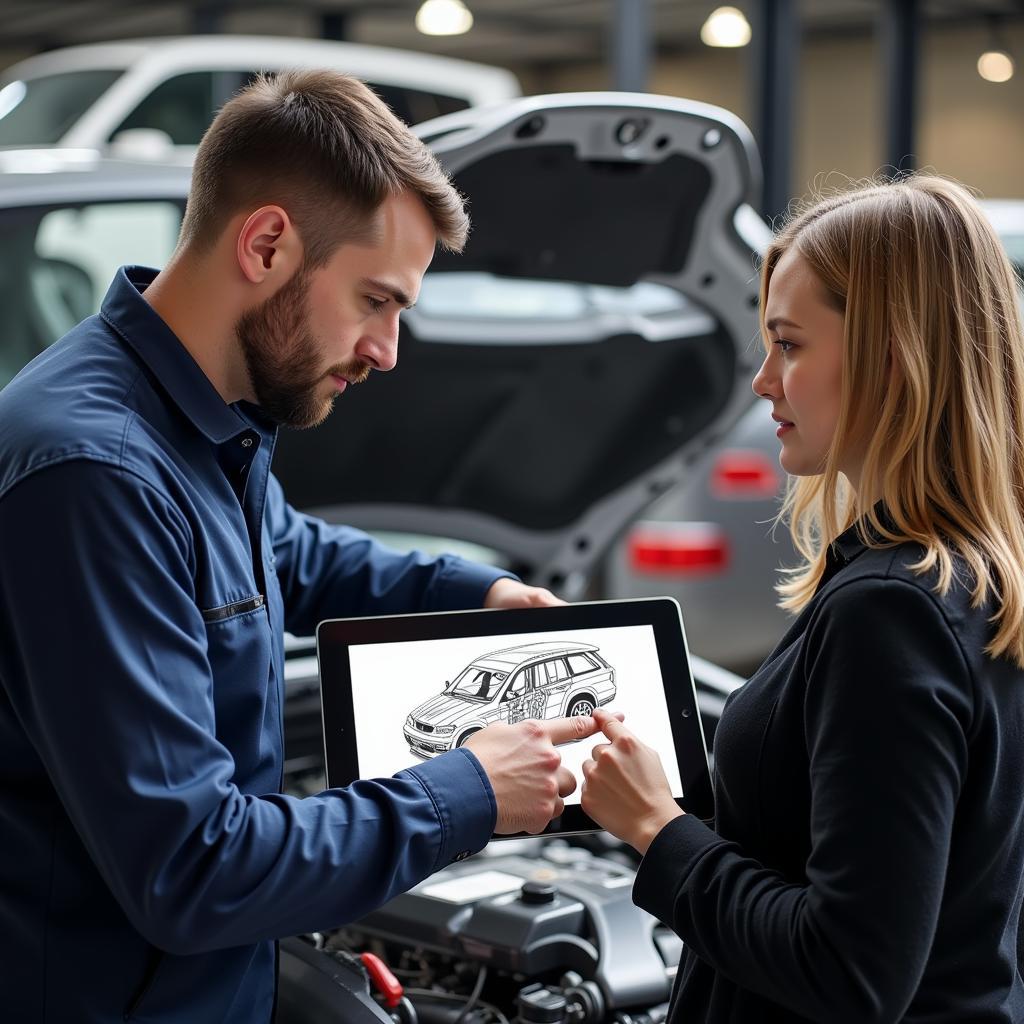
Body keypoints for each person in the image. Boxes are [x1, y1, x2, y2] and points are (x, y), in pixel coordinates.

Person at [0, 70, 602, 1023]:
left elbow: (287, 554)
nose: (388, 349)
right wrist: (468, 788)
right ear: (268, 242)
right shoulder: (93, 473)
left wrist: (477, 595)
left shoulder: (199, 422)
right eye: (375, 299)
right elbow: (194, 869)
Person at [580, 174, 1024, 1021]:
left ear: (893, 356)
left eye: (789, 345)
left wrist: (653, 829)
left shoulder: (891, 612)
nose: (762, 382)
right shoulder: (976, 578)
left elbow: (849, 972)